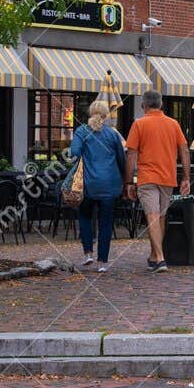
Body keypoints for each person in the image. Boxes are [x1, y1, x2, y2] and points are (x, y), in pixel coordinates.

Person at [124, 89, 191, 273]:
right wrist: (186, 177)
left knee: (152, 215)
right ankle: (154, 256)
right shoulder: (173, 124)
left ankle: (160, 258)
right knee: (160, 216)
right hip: (167, 177)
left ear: (143, 105)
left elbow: (131, 154)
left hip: (147, 177)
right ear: (161, 104)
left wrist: (128, 182)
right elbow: (184, 151)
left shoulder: (139, 124)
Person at [70, 100, 127, 272]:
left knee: (85, 216)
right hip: (109, 184)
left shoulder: (82, 131)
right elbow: (121, 159)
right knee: (106, 222)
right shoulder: (112, 134)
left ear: (90, 113)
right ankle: (102, 262)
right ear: (105, 115)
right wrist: (125, 179)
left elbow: (74, 152)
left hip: (88, 184)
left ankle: (88, 253)